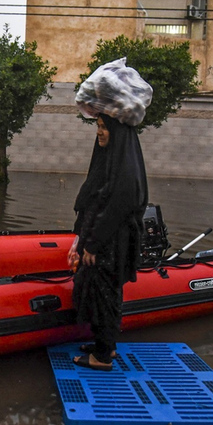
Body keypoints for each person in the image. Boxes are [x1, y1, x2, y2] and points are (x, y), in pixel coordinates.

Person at [67, 58, 152, 371]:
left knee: (102, 294)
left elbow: (118, 205)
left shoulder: (125, 168)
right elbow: (96, 198)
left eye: (104, 127)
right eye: (99, 126)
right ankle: (106, 346)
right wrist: (83, 237)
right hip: (106, 241)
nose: (100, 132)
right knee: (103, 292)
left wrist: (93, 244)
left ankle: (101, 357)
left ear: (116, 129)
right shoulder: (114, 160)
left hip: (110, 244)